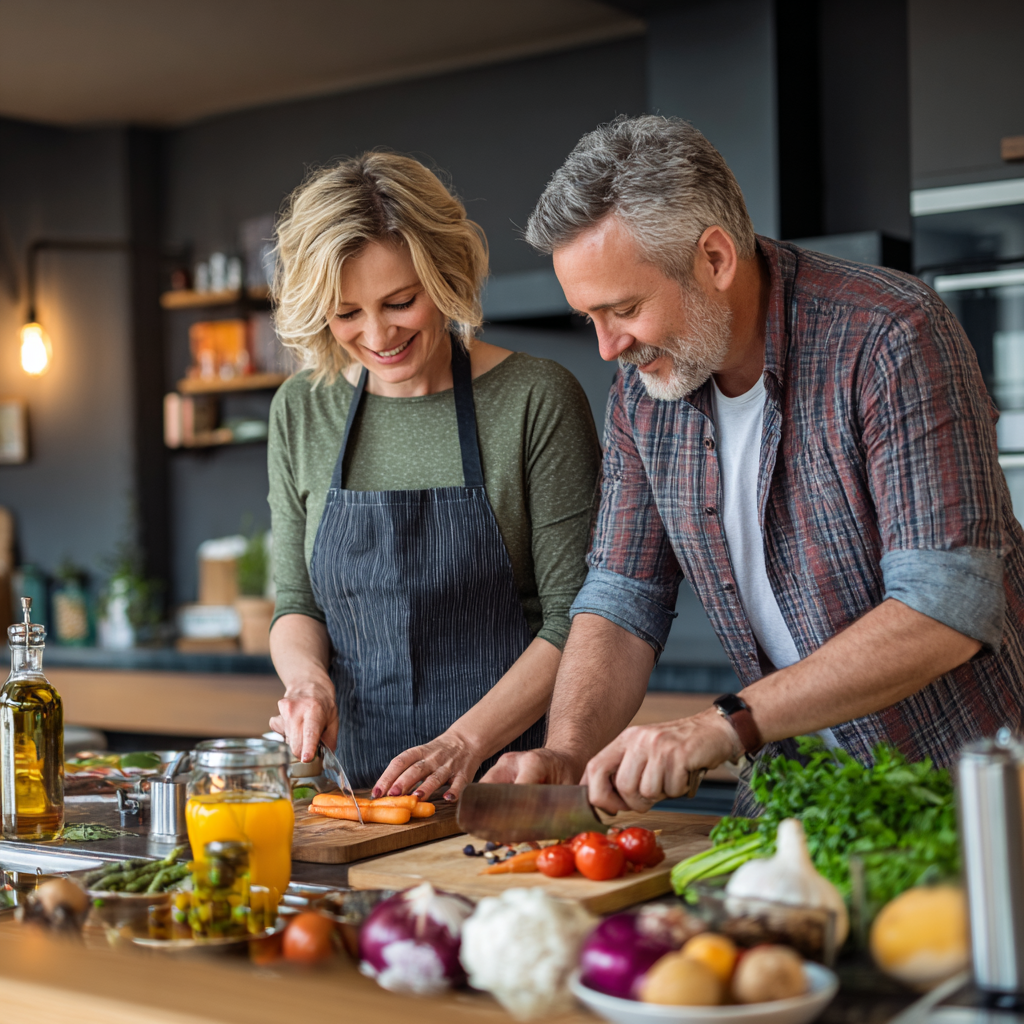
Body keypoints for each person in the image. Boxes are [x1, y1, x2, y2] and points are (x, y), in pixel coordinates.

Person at [484, 115, 1024, 813]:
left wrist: (725, 723)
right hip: (798, 795)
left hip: (971, 793)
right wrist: (568, 750)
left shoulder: (890, 334)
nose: (607, 348)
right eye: (588, 317)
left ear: (714, 258)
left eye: (622, 309)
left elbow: (948, 601)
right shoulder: (646, 395)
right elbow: (622, 594)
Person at [266, 152, 601, 801]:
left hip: (506, 784)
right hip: (358, 794)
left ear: (445, 274)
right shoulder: (304, 409)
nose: (376, 333)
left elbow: (578, 620)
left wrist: (464, 744)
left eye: (399, 301)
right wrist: (307, 681)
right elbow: (296, 602)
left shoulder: (535, 399)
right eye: (345, 314)